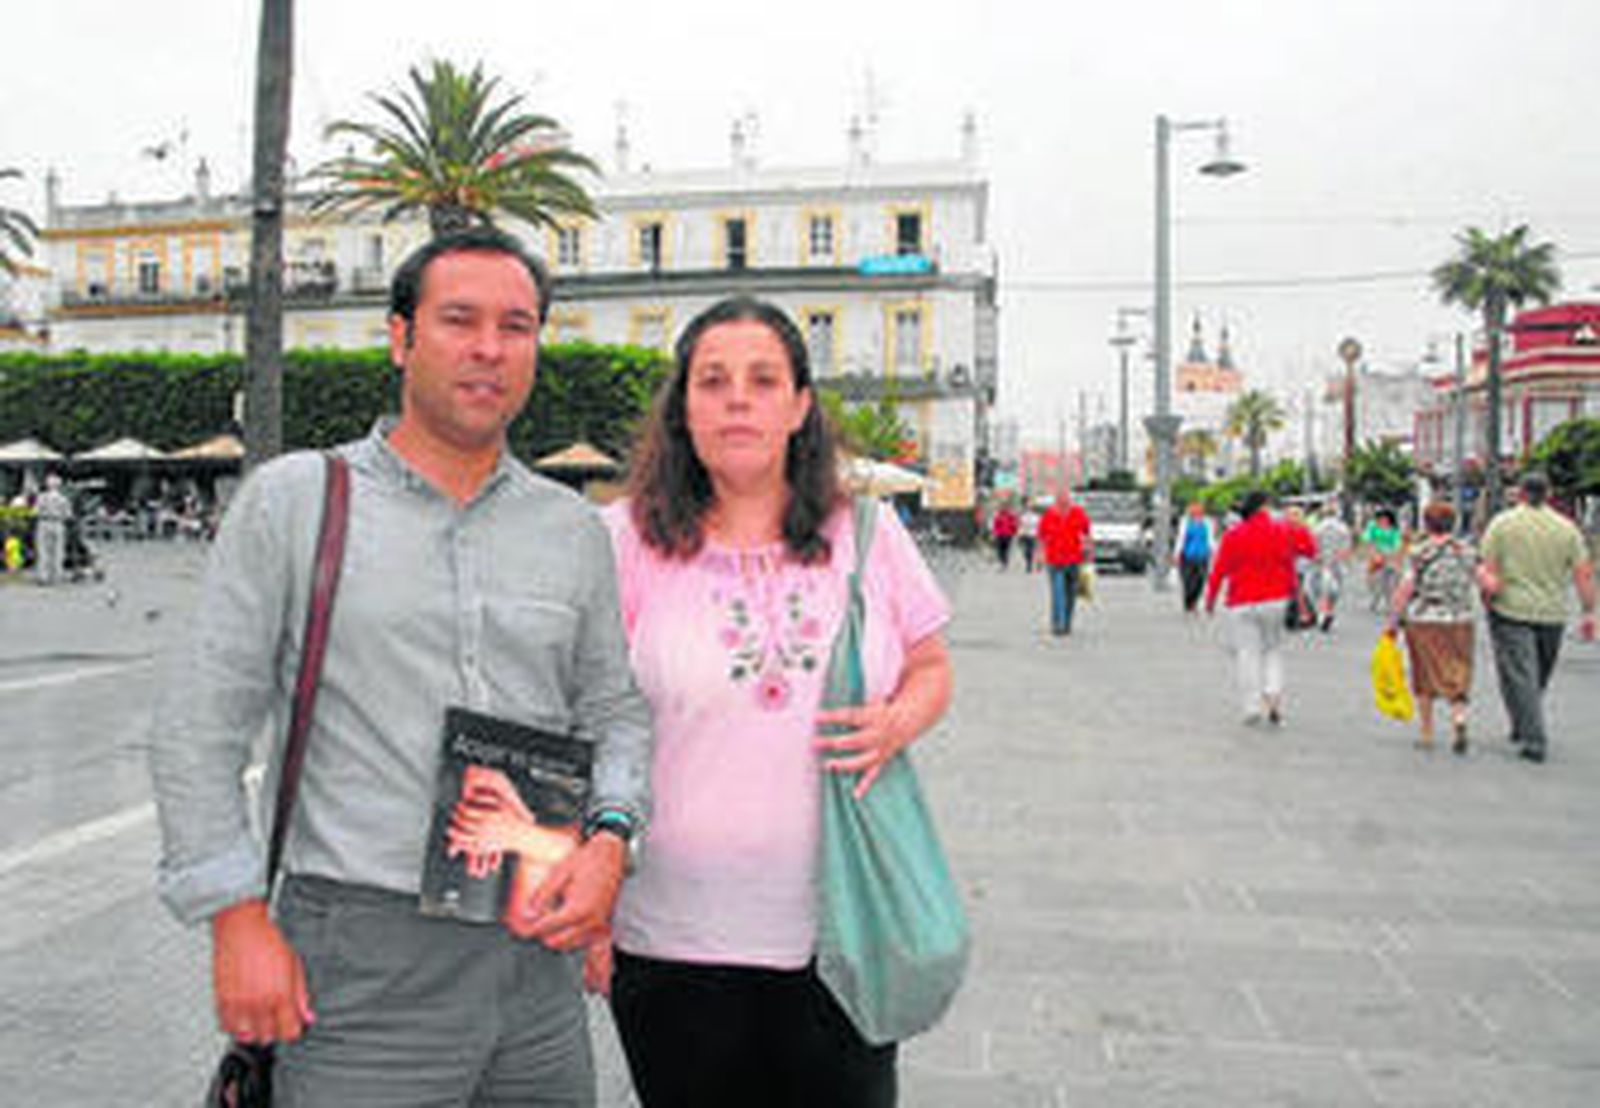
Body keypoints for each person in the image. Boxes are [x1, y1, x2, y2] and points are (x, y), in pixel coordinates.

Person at [148, 228, 653, 1106]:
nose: (489, 348)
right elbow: (198, 726)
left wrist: (612, 838)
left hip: (535, 967)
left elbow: (613, 710)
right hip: (359, 961)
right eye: (459, 319)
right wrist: (234, 918)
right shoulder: (299, 500)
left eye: (517, 325)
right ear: (400, 337)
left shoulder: (571, 532)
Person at [593, 296, 953, 1107]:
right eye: (712, 381)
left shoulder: (866, 534)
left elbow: (932, 666)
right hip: (668, 940)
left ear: (800, 406)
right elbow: (584, 716)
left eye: (763, 379)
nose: (738, 399)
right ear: (683, 408)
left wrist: (898, 720)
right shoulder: (623, 540)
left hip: (843, 931)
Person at [1478, 471, 1597, 764]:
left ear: (1519, 493)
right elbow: (1583, 573)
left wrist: (1487, 595)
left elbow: (1488, 567)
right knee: (1537, 673)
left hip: (1511, 609)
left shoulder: (1502, 525)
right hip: (1553, 612)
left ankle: (1532, 735)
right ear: (1549, 494)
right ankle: (1526, 722)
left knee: (1519, 674)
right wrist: (1589, 611)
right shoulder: (1567, 529)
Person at [1204, 491, 1317, 725]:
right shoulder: (1282, 531)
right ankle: (1273, 695)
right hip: (1275, 599)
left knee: (1247, 654)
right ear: (1264, 508)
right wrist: (1298, 526)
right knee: (1272, 650)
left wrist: (1210, 600)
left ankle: (1251, 707)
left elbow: (1219, 570)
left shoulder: (1233, 535)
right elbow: (1309, 550)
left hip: (1241, 601)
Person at [1386, 500, 1477, 753]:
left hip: (1424, 620)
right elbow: (1486, 582)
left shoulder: (1419, 552)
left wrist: (1393, 622)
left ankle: (1427, 732)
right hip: (1461, 619)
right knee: (1459, 668)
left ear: (1426, 524)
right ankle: (1459, 717)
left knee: (1424, 673)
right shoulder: (1467, 551)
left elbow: (1405, 590)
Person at [1038, 489, 1092, 636]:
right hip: (1055, 560)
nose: (1063, 502)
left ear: (1070, 500)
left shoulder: (1078, 513)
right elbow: (1042, 537)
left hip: (1074, 559)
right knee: (1058, 591)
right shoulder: (1048, 515)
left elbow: (1086, 534)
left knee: (1071, 594)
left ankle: (1067, 622)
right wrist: (1040, 556)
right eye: (1060, 499)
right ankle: (1058, 625)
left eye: (1065, 499)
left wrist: (1088, 552)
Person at [1309, 504, 1353, 631]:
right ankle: (1329, 611)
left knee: (1318, 589)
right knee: (1334, 590)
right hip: (1337, 563)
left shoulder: (1317, 527)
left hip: (1321, 561)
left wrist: (1316, 557)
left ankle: (1322, 613)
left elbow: (1313, 545)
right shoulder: (1343, 528)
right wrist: (1345, 561)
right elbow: (1346, 549)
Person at [1172, 500, 1216, 614]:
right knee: (1188, 581)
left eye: (1199, 511)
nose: (1196, 513)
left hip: (1203, 556)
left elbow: (1211, 539)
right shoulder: (1185, 522)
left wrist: (1214, 552)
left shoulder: (1207, 523)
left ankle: (1194, 601)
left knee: (1201, 580)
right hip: (1187, 556)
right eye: (1194, 511)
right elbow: (1180, 539)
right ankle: (1188, 602)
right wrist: (1176, 554)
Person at [1361, 507, 1405, 613]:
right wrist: (1374, 553)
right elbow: (1366, 539)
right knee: (1374, 580)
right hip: (1375, 554)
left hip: (1389, 556)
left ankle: (1389, 603)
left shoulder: (1394, 530)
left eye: (1386, 518)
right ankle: (1374, 599)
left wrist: (1396, 558)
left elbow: (1397, 544)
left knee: (1391, 582)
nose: (1383, 520)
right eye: (1381, 518)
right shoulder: (1373, 527)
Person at [33, 473, 72, 586]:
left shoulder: (41, 497)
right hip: (58, 524)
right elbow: (68, 514)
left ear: (47, 484)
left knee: (43, 550)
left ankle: (43, 576)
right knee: (58, 550)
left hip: (44, 523)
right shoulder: (63, 499)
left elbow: (35, 512)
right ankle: (56, 576)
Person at [990, 500, 1019, 570]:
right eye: (1002, 507)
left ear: (1008, 507)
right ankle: (1002, 562)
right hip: (999, 534)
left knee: (1006, 550)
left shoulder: (1011, 515)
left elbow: (1015, 524)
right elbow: (995, 525)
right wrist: (994, 533)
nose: (1003, 508)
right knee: (999, 550)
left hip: (1008, 535)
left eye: (1005, 507)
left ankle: (1005, 563)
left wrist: (1014, 531)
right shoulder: (998, 515)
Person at [1018, 502, 1041, 573]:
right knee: (1025, 551)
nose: (1029, 509)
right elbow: (1021, 525)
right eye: (1028, 508)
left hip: (1032, 534)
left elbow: (1038, 526)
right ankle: (1028, 562)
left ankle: (1029, 565)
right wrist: (1020, 533)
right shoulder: (1023, 516)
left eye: (1030, 508)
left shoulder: (1037, 517)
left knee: (1030, 550)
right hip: (1025, 534)